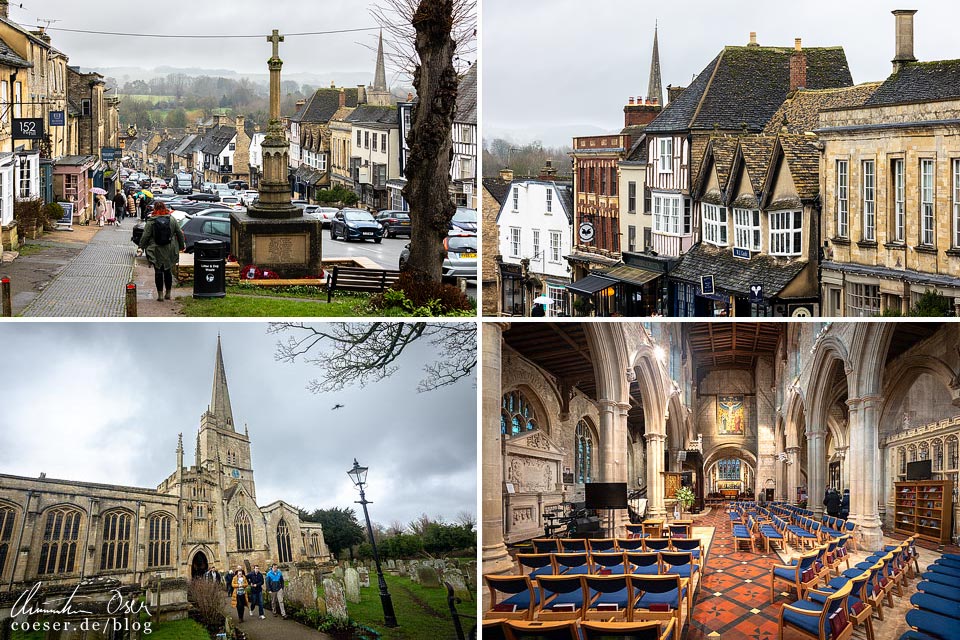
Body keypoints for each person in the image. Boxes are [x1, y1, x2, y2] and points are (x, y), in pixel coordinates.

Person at [138, 201, 185, 301]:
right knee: (168, 271)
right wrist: (181, 246)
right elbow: (179, 233)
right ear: (165, 207)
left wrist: (141, 247)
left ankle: (160, 295)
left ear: (154, 209)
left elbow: (145, 235)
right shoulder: (171, 219)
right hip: (170, 248)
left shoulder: (151, 221)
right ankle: (168, 293)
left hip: (155, 249)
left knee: (158, 271)